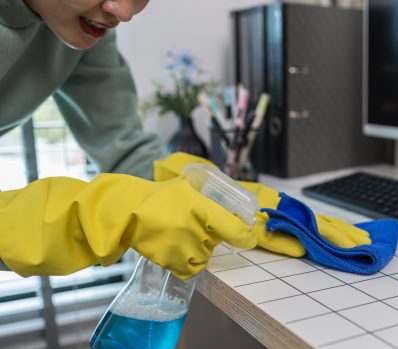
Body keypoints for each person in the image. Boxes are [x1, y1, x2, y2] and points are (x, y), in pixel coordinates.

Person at [0, 0, 257, 280]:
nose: (124, 12)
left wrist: (214, 192)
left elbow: (124, 147)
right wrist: (95, 217)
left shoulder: (85, 26)